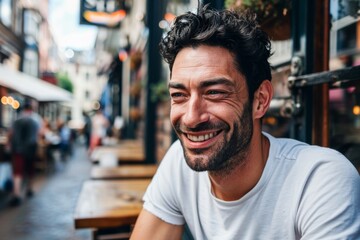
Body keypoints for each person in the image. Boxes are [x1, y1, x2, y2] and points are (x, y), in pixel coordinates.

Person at [130, 5, 360, 239]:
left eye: (214, 93)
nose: (191, 117)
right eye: (179, 95)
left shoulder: (320, 180)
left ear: (260, 100)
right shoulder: (179, 163)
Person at [8, 101, 42, 207]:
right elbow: (40, 134)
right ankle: (29, 189)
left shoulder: (16, 119)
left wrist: (9, 144)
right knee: (30, 169)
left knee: (17, 172)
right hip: (31, 148)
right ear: (31, 109)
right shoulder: (36, 120)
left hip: (18, 149)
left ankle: (17, 195)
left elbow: (10, 133)